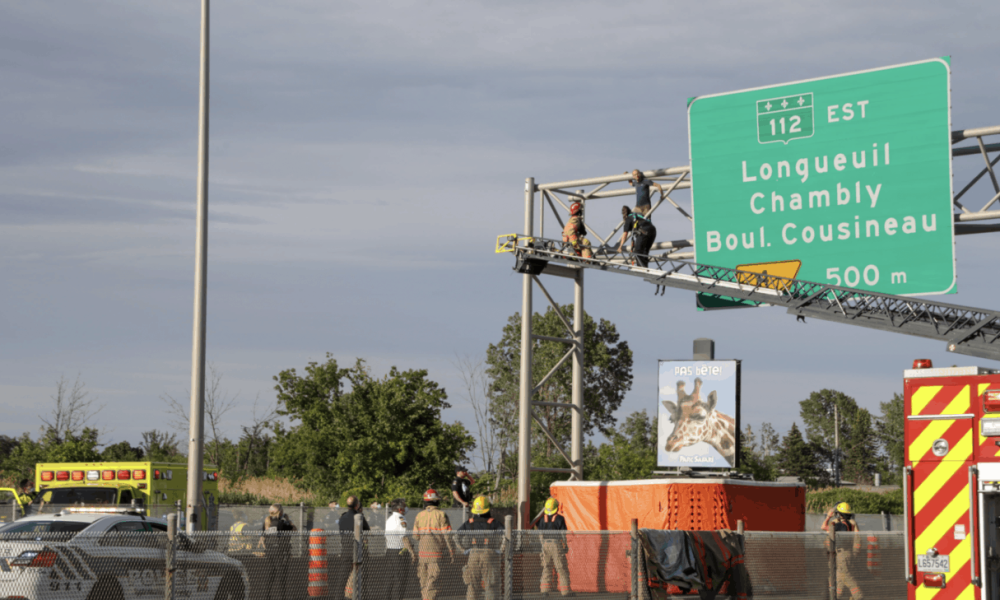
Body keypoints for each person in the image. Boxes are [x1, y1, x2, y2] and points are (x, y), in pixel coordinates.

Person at [412, 489, 457, 600]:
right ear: (437, 501)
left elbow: (415, 536)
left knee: (423, 582)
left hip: (422, 555)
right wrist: (452, 552)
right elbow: (447, 536)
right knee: (433, 582)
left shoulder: (419, 515)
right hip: (436, 554)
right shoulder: (441, 514)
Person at [458, 496, 503, 600]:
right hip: (489, 554)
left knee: (472, 585)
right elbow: (505, 535)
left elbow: (456, 536)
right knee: (490, 585)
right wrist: (500, 550)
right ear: (488, 509)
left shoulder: (469, 522)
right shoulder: (494, 522)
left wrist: (463, 550)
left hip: (473, 554)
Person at [822, 502, 863, 600]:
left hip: (841, 556)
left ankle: (859, 596)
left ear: (839, 514)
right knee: (838, 580)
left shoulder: (839, 525)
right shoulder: (852, 524)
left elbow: (823, 527)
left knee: (846, 578)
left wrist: (828, 516)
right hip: (847, 554)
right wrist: (854, 554)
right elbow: (858, 539)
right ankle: (835, 597)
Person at [536, 497, 572, 597]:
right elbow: (563, 534)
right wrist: (565, 545)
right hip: (556, 544)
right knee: (561, 567)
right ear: (556, 507)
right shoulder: (560, 518)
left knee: (546, 567)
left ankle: (544, 590)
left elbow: (540, 535)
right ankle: (565, 591)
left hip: (545, 544)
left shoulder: (542, 519)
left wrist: (542, 546)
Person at [261, 504, 296, 600]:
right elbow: (294, 529)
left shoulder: (267, 522)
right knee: (282, 576)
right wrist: (288, 520)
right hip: (281, 551)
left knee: (270, 575)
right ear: (280, 512)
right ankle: (282, 597)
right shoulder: (281, 523)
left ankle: (266, 597)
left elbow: (263, 536)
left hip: (270, 551)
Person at [338, 496, 370, 600]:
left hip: (346, 550)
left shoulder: (342, 517)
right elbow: (367, 529)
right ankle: (359, 596)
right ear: (357, 505)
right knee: (360, 576)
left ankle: (339, 597)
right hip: (358, 551)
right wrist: (361, 513)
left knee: (343, 577)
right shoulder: (359, 516)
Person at [385, 498, 415, 599]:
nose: (406, 507)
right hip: (399, 552)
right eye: (404, 506)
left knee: (390, 579)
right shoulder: (401, 518)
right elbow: (404, 537)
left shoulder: (389, 519)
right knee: (400, 580)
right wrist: (412, 552)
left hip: (390, 551)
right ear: (400, 509)